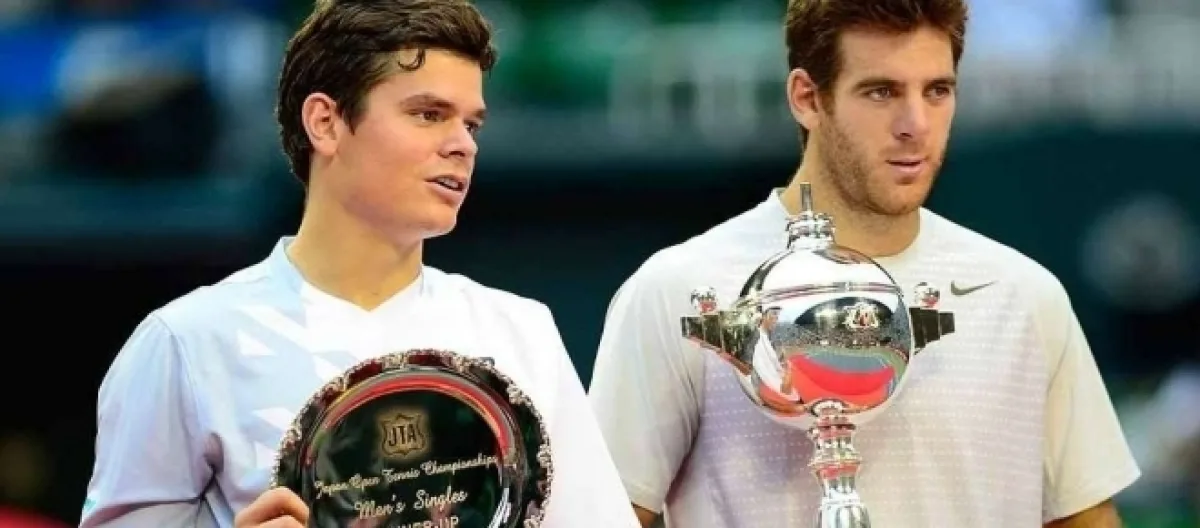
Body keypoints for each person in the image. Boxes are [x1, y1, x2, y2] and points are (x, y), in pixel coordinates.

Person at [79, 1, 638, 527]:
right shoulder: (187, 344)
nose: (462, 145)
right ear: (325, 122)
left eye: (471, 125)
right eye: (428, 114)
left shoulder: (521, 331)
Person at [587, 0, 1141, 526]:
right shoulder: (676, 292)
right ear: (807, 98)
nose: (915, 123)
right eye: (881, 92)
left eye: (937, 90)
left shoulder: (1025, 296)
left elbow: (1087, 519)